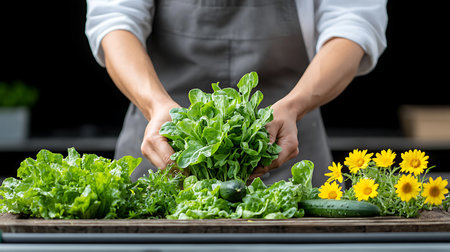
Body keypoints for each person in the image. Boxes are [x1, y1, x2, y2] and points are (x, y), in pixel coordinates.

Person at [85, 0, 387, 186]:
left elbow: (354, 23)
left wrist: (295, 105)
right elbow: (115, 19)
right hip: (163, 147)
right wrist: (155, 105)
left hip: (286, 148)